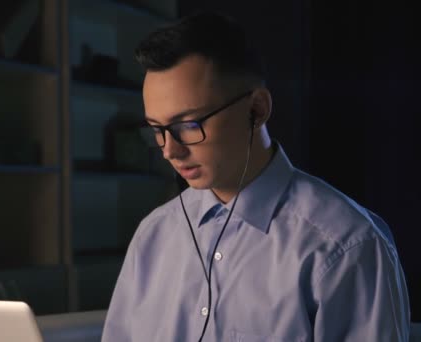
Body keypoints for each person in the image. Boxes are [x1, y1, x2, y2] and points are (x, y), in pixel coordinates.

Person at [101, 11, 410, 342]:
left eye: (188, 125)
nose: (169, 151)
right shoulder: (152, 236)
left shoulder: (347, 245)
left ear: (257, 110)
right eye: (157, 130)